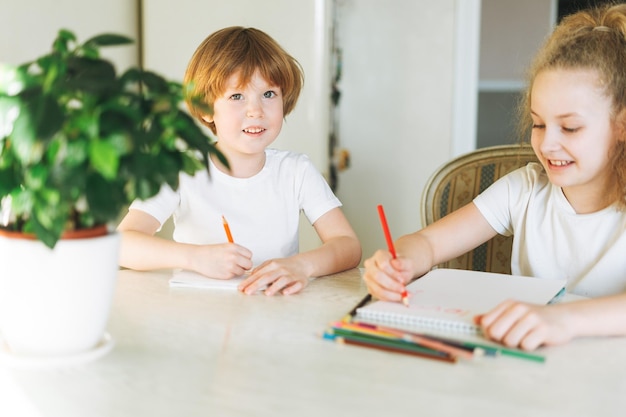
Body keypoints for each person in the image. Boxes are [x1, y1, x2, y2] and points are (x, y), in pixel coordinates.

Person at [363, 3, 626, 351]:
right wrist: (398, 263)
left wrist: (565, 319)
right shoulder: (524, 190)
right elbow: (427, 244)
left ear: (621, 124)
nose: (547, 143)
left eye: (570, 127)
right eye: (538, 123)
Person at [117, 26, 361, 296]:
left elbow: (348, 245)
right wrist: (195, 258)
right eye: (236, 96)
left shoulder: (296, 171)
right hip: (197, 316)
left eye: (268, 94)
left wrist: (302, 265)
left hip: (275, 314)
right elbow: (121, 244)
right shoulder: (179, 170)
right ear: (206, 109)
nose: (255, 111)